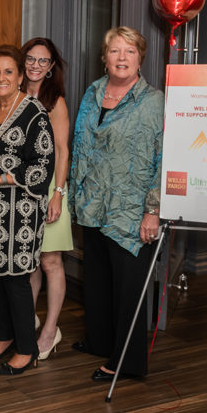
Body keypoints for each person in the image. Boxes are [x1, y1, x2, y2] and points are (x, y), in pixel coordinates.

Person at [69, 26, 163, 383]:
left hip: (130, 210)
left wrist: (153, 211)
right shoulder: (93, 92)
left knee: (128, 289)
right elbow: (81, 145)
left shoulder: (153, 101)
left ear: (140, 58)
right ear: (104, 57)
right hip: (92, 204)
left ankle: (127, 361)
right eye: (114, 51)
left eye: (130, 51)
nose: (121, 58)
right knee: (98, 281)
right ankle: (101, 341)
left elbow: (163, 158)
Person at [0, 44, 54, 376]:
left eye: (8, 71)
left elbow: (43, 165)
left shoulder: (34, 112)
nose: (1, 77)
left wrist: (5, 177)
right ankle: (4, 336)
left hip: (21, 210)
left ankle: (27, 348)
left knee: (17, 278)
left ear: (20, 76)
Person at [20, 37, 73, 361]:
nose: (35, 65)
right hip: (21, 187)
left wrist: (58, 194)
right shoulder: (13, 93)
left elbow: (63, 151)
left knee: (50, 261)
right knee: (28, 261)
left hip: (51, 187)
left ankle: (51, 330)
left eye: (43, 60)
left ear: (51, 66)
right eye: (31, 58)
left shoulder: (55, 101)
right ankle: (28, 322)